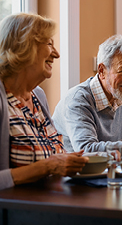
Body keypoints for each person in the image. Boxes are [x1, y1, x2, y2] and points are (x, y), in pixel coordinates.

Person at [0, 13, 88, 190]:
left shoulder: (38, 95)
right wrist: (48, 166)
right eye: (49, 44)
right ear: (24, 46)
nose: (56, 54)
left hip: (49, 204)